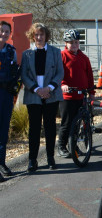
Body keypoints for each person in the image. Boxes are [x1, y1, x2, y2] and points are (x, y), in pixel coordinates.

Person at [21, 23, 64, 172]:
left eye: (42, 34)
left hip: (50, 95)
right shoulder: (26, 54)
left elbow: (60, 73)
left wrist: (49, 88)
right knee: (34, 129)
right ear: (32, 36)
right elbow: (24, 75)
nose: (39, 37)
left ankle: (50, 157)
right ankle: (32, 160)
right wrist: (37, 89)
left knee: (50, 127)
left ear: (46, 36)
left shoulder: (56, 52)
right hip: (34, 95)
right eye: (36, 35)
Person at [57, 30, 95, 158]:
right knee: (67, 122)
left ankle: (73, 145)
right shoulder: (62, 56)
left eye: (76, 42)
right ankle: (61, 146)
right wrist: (63, 84)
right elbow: (58, 73)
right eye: (71, 43)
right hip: (67, 96)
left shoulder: (84, 58)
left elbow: (89, 76)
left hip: (81, 96)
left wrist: (91, 92)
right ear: (65, 43)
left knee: (77, 123)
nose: (74, 45)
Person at [0, 21, 19, 181]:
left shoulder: (11, 51)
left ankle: (2, 163)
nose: (4, 34)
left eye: (7, 31)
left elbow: (16, 74)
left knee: (3, 130)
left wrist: (14, 86)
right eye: (2, 30)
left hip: (5, 94)